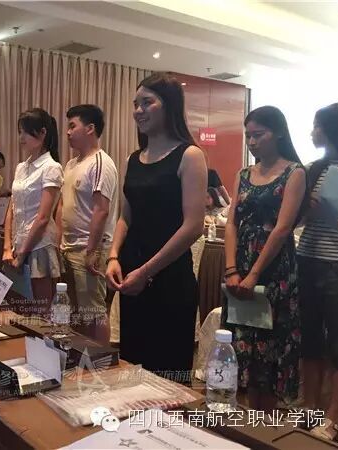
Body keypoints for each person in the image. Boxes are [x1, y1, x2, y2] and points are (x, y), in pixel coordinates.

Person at [105, 73, 207, 380]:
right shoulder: (132, 159)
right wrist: (113, 256)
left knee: (167, 377)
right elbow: (125, 217)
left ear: (170, 105)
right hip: (131, 275)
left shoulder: (190, 155)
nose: (138, 110)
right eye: (136, 104)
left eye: (147, 102)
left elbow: (193, 226)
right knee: (133, 371)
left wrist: (146, 272)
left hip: (169, 278)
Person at [224, 105, 306, 411]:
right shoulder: (244, 174)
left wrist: (255, 274)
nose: (252, 142)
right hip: (240, 265)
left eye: (259, 134)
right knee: (241, 341)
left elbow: (283, 228)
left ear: (279, 133)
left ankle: (266, 421)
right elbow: (231, 223)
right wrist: (232, 269)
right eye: (248, 136)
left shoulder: (294, 172)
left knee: (270, 347)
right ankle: (246, 416)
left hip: (274, 269)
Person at [297, 103, 338, 440]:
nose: (312, 131)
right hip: (307, 258)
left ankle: (335, 419)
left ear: (330, 129)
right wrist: (305, 210)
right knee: (309, 339)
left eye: (316, 125)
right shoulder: (313, 169)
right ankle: (309, 409)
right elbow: (295, 219)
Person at [58, 104, 118, 343]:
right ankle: (81, 355)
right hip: (68, 247)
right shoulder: (71, 164)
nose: (68, 132)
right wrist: (59, 241)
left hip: (88, 248)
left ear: (90, 128)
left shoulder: (101, 162)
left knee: (93, 312)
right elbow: (63, 205)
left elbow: (101, 210)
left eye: (73, 126)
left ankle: (101, 360)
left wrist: (92, 250)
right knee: (75, 312)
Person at [3, 108, 64, 315]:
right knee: (21, 307)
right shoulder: (21, 167)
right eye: (20, 132)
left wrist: (23, 253)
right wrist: (7, 246)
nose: (21, 138)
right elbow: (12, 207)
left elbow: (43, 218)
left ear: (43, 133)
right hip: (18, 243)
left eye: (26, 132)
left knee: (42, 310)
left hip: (39, 245)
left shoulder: (51, 167)